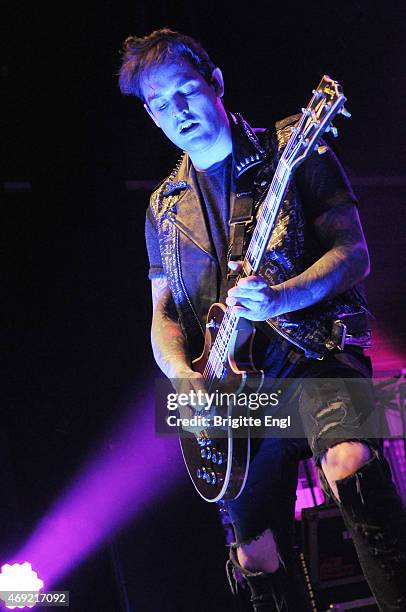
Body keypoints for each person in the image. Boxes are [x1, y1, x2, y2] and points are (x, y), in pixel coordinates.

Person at [118, 28, 406, 611]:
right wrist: (180, 373)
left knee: (349, 461)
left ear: (216, 83)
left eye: (187, 91)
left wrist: (281, 297)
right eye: (160, 105)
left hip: (316, 347)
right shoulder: (163, 208)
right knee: (255, 554)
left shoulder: (294, 147)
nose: (179, 112)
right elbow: (164, 313)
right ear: (149, 116)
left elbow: (354, 255)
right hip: (234, 388)